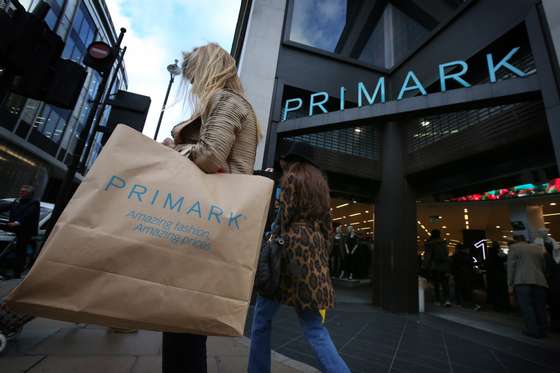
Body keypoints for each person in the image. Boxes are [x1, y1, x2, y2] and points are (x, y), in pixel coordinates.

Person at [161, 43, 260, 373]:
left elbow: (210, 157)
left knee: (183, 332)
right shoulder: (229, 102)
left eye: (192, 75)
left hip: (205, 224)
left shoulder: (225, 100)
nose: (191, 84)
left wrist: (172, 150)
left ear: (206, 69)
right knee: (184, 329)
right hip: (211, 222)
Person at [248, 142, 350, 373]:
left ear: (294, 160)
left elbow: (283, 218)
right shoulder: (321, 187)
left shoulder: (291, 179)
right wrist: (319, 253)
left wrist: (271, 239)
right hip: (311, 259)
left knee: (262, 319)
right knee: (315, 328)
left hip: (285, 254)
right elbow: (328, 230)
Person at [507, 234, 548, 338]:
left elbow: (511, 268)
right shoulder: (538, 248)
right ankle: (543, 330)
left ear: (516, 240)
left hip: (522, 281)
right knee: (540, 307)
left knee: (527, 307)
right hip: (539, 281)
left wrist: (510, 285)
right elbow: (543, 266)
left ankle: (532, 330)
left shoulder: (514, 248)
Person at [0, 185, 39, 279]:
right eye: (20, 191)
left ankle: (16, 273)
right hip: (13, 227)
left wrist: (17, 222)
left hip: (25, 230)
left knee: (20, 251)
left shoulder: (34, 203)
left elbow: (28, 214)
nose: (20, 193)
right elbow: (6, 207)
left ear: (29, 194)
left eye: (23, 192)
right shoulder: (17, 200)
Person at [534, 228, 560, 332]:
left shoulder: (550, 242)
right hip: (549, 278)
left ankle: (554, 323)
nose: (544, 233)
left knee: (554, 301)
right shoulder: (538, 243)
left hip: (552, 279)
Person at [424, 229, 451, 307]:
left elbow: (428, 256)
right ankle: (447, 300)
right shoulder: (444, 243)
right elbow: (447, 255)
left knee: (436, 284)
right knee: (445, 284)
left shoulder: (430, 244)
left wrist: (424, 266)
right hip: (445, 267)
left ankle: (438, 300)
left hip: (435, 267)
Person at [486, 241, 510, 312]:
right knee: (502, 291)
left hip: (492, 275)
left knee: (495, 291)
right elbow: (504, 259)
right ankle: (503, 306)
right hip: (499, 274)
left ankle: (497, 306)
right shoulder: (498, 253)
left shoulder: (489, 254)